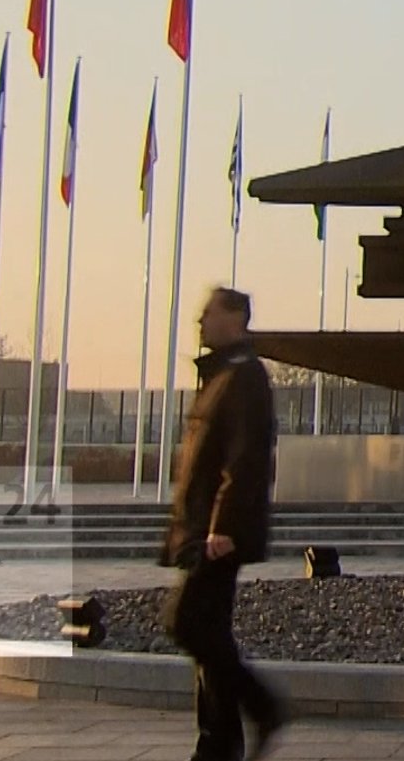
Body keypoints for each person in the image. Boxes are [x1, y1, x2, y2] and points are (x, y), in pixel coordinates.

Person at [159, 286, 288, 761]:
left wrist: (224, 525)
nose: (200, 321)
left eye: (209, 313)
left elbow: (246, 457)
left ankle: (260, 708)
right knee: (205, 629)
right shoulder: (218, 377)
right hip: (201, 529)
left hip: (217, 533)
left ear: (235, 318)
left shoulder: (244, 377)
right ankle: (219, 740)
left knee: (188, 623)